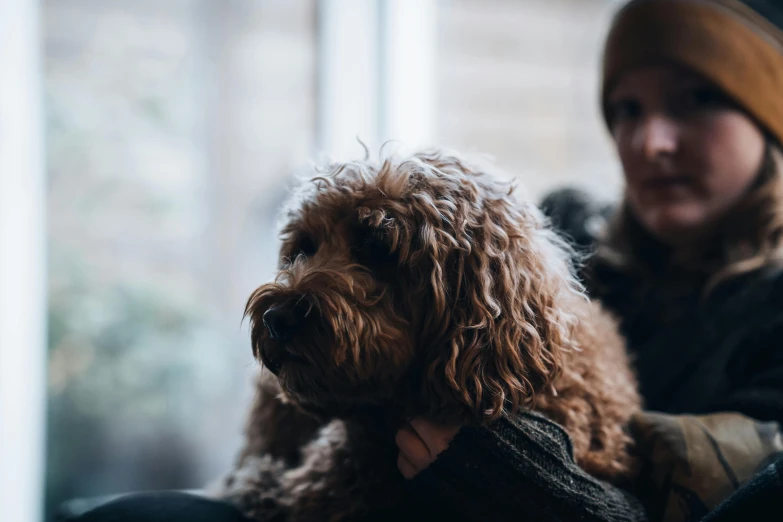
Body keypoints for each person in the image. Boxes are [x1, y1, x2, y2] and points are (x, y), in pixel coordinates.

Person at [396, 0, 783, 520]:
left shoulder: (770, 316)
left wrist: (518, 478)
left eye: (697, 99)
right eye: (628, 110)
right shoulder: (557, 247)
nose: (651, 143)